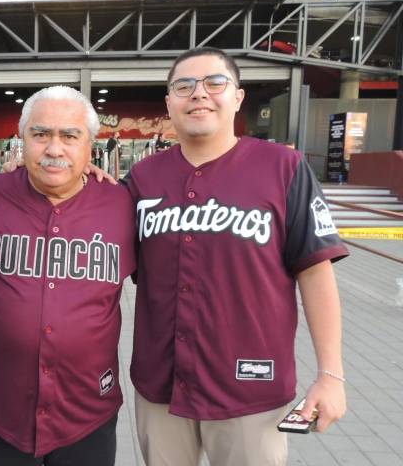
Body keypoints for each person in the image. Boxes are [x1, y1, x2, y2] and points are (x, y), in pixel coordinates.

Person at [125, 47, 349, 466]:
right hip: (161, 385)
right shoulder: (142, 177)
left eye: (214, 83)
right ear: (168, 102)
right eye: (184, 86)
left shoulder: (283, 167)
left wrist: (330, 375)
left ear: (238, 97)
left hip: (250, 389)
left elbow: (316, 271)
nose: (199, 95)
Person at [0, 86, 136, 466]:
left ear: (90, 144)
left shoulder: (123, 204)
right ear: (22, 139)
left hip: (86, 412)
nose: (54, 148)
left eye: (70, 136)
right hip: (1, 412)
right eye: (41, 134)